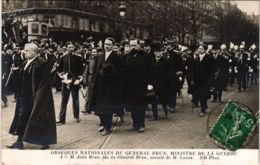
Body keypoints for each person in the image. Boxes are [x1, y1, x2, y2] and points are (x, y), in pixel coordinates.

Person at [7, 43, 57, 149]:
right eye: (24, 50)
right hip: (24, 96)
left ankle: (44, 142)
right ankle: (19, 141)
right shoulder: (25, 62)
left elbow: (44, 82)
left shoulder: (42, 63)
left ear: (35, 52)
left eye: (28, 51)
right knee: (22, 117)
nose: (25, 52)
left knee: (39, 118)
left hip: (36, 96)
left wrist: (40, 96)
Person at [90, 38, 124, 136]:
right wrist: (93, 82)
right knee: (99, 107)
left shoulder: (117, 57)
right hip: (99, 86)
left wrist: (111, 72)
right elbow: (95, 71)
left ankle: (107, 127)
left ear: (113, 45)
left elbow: (121, 72)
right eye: (105, 44)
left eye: (109, 44)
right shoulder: (99, 56)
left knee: (107, 108)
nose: (107, 46)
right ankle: (104, 124)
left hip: (110, 87)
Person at [124, 38, 153, 133]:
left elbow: (150, 71)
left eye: (134, 45)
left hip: (141, 85)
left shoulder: (146, 56)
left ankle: (141, 125)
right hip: (130, 86)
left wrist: (150, 83)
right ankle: (135, 124)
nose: (133, 47)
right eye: (131, 45)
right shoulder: (127, 56)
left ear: (139, 45)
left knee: (140, 106)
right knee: (132, 107)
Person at [56, 42, 85, 124]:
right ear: (66, 48)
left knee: (75, 99)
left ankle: (76, 116)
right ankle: (62, 118)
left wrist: (79, 79)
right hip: (65, 81)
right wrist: (62, 76)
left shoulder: (78, 58)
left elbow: (81, 70)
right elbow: (59, 69)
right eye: (69, 47)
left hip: (74, 81)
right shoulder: (62, 57)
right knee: (64, 99)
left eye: (72, 47)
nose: (71, 48)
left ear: (74, 48)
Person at [191, 46, 214, 117]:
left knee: (203, 95)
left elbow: (211, 70)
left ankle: (202, 110)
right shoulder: (196, 58)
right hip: (197, 80)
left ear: (204, 50)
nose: (200, 50)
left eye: (201, 49)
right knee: (200, 94)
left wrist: (210, 80)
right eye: (199, 49)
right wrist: (192, 79)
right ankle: (204, 106)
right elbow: (194, 70)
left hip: (205, 80)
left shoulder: (208, 58)